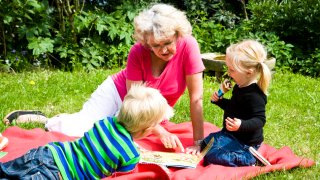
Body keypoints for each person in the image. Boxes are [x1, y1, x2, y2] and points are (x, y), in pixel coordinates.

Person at [4, 3, 205, 153]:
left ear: (178, 35)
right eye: (156, 46)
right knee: (84, 132)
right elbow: (133, 102)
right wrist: (159, 131)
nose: (163, 50)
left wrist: (197, 143)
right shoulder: (137, 52)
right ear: (146, 43)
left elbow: (196, 98)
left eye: (168, 43)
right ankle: (47, 120)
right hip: (123, 96)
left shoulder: (189, 46)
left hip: (152, 107)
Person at [0, 84, 174, 179]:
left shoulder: (107, 121)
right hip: (56, 175)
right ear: (148, 130)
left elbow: (111, 140)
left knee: (5, 170)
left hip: (46, 153)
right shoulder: (130, 156)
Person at [200, 39, 272, 167]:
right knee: (205, 143)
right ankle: (234, 153)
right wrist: (219, 101)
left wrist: (241, 125)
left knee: (213, 156)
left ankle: (250, 159)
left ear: (248, 72)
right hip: (230, 135)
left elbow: (260, 120)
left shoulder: (255, 96)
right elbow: (235, 108)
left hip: (245, 143)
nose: (228, 72)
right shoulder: (239, 86)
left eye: (232, 70)